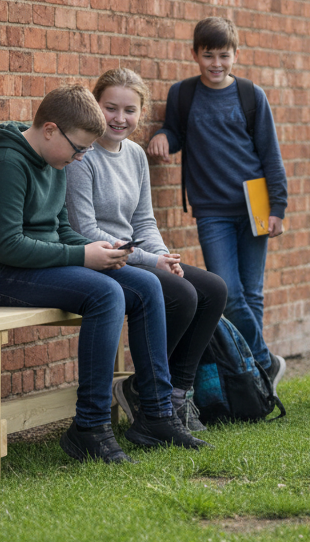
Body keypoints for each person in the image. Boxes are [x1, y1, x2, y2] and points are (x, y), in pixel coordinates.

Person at [0, 85, 205, 466]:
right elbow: (8, 247)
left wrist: (105, 253)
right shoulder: (4, 164)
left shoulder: (55, 162)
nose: (81, 156)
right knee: (106, 294)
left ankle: (156, 416)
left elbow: (61, 230)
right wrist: (81, 256)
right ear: (51, 130)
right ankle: (89, 428)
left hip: (40, 264)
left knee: (146, 285)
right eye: (79, 148)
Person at [65, 68, 228, 433]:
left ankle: (172, 394)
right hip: (98, 259)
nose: (120, 119)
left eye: (130, 110)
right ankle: (149, 389)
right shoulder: (82, 157)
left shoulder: (136, 155)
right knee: (182, 295)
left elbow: (144, 221)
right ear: (95, 106)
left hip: (134, 255)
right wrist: (149, 259)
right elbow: (85, 230)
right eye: (111, 108)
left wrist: (165, 256)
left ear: (141, 112)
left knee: (213, 289)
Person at [147, 17, 289, 391]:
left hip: (254, 206)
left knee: (251, 295)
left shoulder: (250, 95)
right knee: (229, 291)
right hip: (211, 210)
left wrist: (278, 207)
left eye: (223, 56)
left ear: (235, 55)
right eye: (208, 55)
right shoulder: (183, 94)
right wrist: (162, 136)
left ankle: (254, 379)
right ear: (194, 54)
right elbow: (176, 133)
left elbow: (270, 155)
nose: (216, 64)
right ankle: (265, 361)